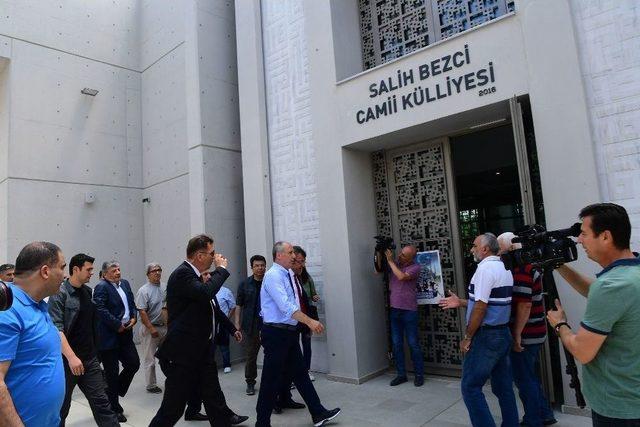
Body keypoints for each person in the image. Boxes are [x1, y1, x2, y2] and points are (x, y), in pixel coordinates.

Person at [547, 203, 640, 426]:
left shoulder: (610, 287)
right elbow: (596, 291)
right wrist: (557, 264)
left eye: (584, 234)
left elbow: (582, 351)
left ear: (605, 236)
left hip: (618, 408)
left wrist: (560, 325)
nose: (579, 240)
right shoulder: (629, 274)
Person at [150, 234, 248, 426]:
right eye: (212, 253)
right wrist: (221, 270)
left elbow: (211, 308)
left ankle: (223, 420)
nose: (215, 257)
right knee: (172, 408)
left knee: (214, 398)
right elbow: (205, 294)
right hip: (183, 355)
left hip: (200, 351)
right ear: (200, 255)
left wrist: (230, 328)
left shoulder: (195, 277)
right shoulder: (182, 274)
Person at [256, 241, 340, 427]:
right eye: (290, 252)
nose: (294, 255)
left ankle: (318, 413)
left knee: (300, 374)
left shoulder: (287, 275)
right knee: (270, 380)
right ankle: (261, 423)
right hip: (276, 334)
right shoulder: (273, 276)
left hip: (288, 333)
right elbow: (286, 307)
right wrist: (310, 321)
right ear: (279, 256)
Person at [439, 233, 519, 427]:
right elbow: (489, 302)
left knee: (470, 387)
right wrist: (461, 302)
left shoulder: (484, 270)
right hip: (502, 334)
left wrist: (467, 337)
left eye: (474, 246)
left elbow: (481, 308)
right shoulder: (504, 268)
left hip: (486, 336)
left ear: (484, 249)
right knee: (503, 388)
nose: (472, 249)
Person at [48, 253, 119, 427]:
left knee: (103, 405)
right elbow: (57, 328)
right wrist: (72, 357)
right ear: (75, 269)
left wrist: (95, 354)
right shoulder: (60, 294)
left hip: (89, 360)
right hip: (66, 362)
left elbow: (91, 326)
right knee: (61, 409)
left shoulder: (89, 292)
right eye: (88, 269)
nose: (91, 273)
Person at [0, 242, 66, 426]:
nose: (65, 275)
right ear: (45, 271)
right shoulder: (7, 309)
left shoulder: (38, 305)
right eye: (62, 267)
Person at [497, 233, 556, 427]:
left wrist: (516, 336)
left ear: (510, 248)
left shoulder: (522, 268)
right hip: (534, 331)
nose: (498, 252)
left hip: (527, 334)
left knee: (523, 379)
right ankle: (545, 414)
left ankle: (533, 419)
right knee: (529, 376)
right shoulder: (526, 266)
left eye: (500, 247)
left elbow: (524, 305)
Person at [93, 261, 140, 422]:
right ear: (105, 274)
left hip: (126, 332)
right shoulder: (102, 287)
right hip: (109, 336)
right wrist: (116, 324)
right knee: (112, 373)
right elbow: (99, 309)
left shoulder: (125, 284)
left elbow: (132, 303)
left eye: (119, 269)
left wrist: (134, 317)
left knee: (133, 363)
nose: (118, 272)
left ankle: (112, 391)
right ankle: (115, 408)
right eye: (114, 270)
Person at [382, 245, 425, 387]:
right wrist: (379, 254)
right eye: (400, 253)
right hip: (395, 310)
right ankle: (401, 375)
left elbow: (401, 276)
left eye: (404, 255)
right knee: (397, 344)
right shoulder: (395, 264)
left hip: (409, 311)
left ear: (411, 257)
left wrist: (390, 261)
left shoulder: (415, 267)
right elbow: (376, 271)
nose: (400, 256)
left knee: (413, 344)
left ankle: (419, 375)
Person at [235, 254, 266, 396]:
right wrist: (237, 325)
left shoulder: (269, 282)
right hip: (250, 326)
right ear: (252, 268)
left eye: (262, 265)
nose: (260, 268)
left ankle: (275, 381)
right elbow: (239, 306)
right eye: (257, 266)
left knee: (273, 354)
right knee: (251, 356)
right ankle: (250, 382)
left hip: (268, 325)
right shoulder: (244, 284)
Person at [135, 262, 167, 394]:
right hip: (150, 329)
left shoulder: (165, 287)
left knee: (167, 355)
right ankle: (151, 385)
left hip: (165, 327)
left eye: (159, 270)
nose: (157, 272)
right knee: (150, 359)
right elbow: (142, 311)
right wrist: (151, 328)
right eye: (154, 271)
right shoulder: (143, 291)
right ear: (148, 274)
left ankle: (171, 379)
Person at [292, 246, 319, 381]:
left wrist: (314, 297)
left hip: (307, 315)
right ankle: (294, 375)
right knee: (293, 347)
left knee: (306, 344)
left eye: (303, 261)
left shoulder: (307, 278)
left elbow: (313, 294)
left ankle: (306, 370)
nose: (301, 264)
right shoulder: (286, 278)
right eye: (299, 261)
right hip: (293, 318)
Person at [215, 281, 237, 373]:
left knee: (224, 345)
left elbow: (233, 306)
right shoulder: (207, 291)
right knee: (210, 346)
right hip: (210, 323)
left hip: (223, 323)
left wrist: (227, 318)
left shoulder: (225, 291)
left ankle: (227, 365)